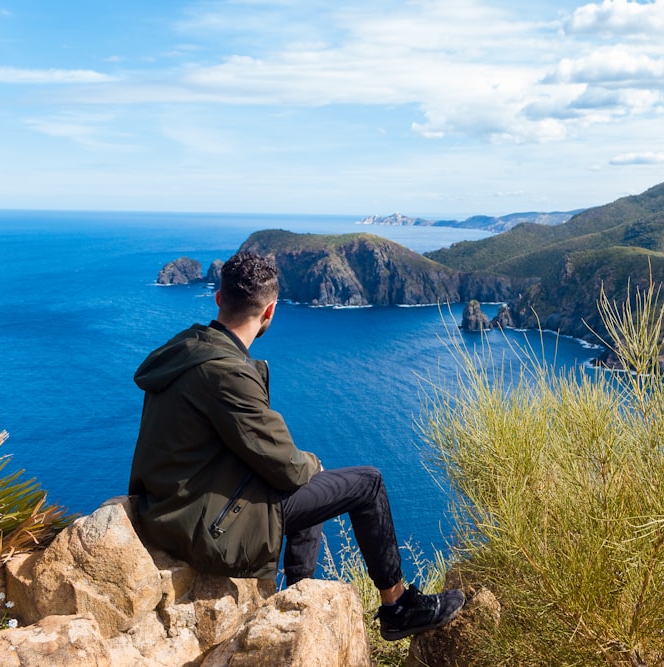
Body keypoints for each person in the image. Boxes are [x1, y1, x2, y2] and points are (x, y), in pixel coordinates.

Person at [128, 250, 464, 641]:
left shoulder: (188, 348)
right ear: (270, 311)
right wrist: (311, 465)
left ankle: (297, 595)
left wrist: (303, 467)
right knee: (363, 483)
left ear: (219, 300)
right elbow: (287, 465)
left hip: (168, 508)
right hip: (201, 527)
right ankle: (397, 605)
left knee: (306, 476)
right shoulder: (227, 373)